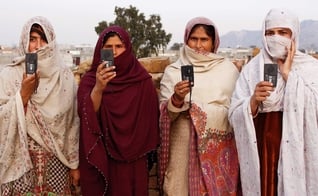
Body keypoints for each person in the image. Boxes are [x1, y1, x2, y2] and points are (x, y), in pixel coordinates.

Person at [229, 8, 318, 196]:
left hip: (300, 150)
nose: (275, 38)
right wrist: (253, 101)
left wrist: (288, 76)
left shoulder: (310, 67)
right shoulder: (251, 69)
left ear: (294, 35)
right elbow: (234, 113)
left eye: (283, 33)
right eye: (270, 33)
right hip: (263, 150)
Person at [159, 17, 241, 195]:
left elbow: (237, 110)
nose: (198, 45)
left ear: (213, 43)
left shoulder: (228, 70)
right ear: (186, 39)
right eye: (193, 39)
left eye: (204, 40)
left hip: (218, 153)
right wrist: (177, 99)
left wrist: (199, 111)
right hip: (183, 149)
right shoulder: (174, 71)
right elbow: (165, 115)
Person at [0, 16, 80, 195]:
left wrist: (75, 165)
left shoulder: (64, 77)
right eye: (33, 39)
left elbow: (73, 123)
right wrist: (23, 96)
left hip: (57, 164)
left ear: (51, 42)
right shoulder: (9, 75)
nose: (38, 46)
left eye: (43, 39)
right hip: (21, 162)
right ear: (24, 42)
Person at [77, 25, 160, 196]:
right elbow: (87, 114)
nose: (114, 52)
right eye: (108, 47)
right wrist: (99, 88)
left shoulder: (142, 80)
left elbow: (150, 121)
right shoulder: (90, 80)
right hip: (104, 158)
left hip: (135, 162)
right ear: (100, 50)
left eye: (119, 46)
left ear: (127, 48)